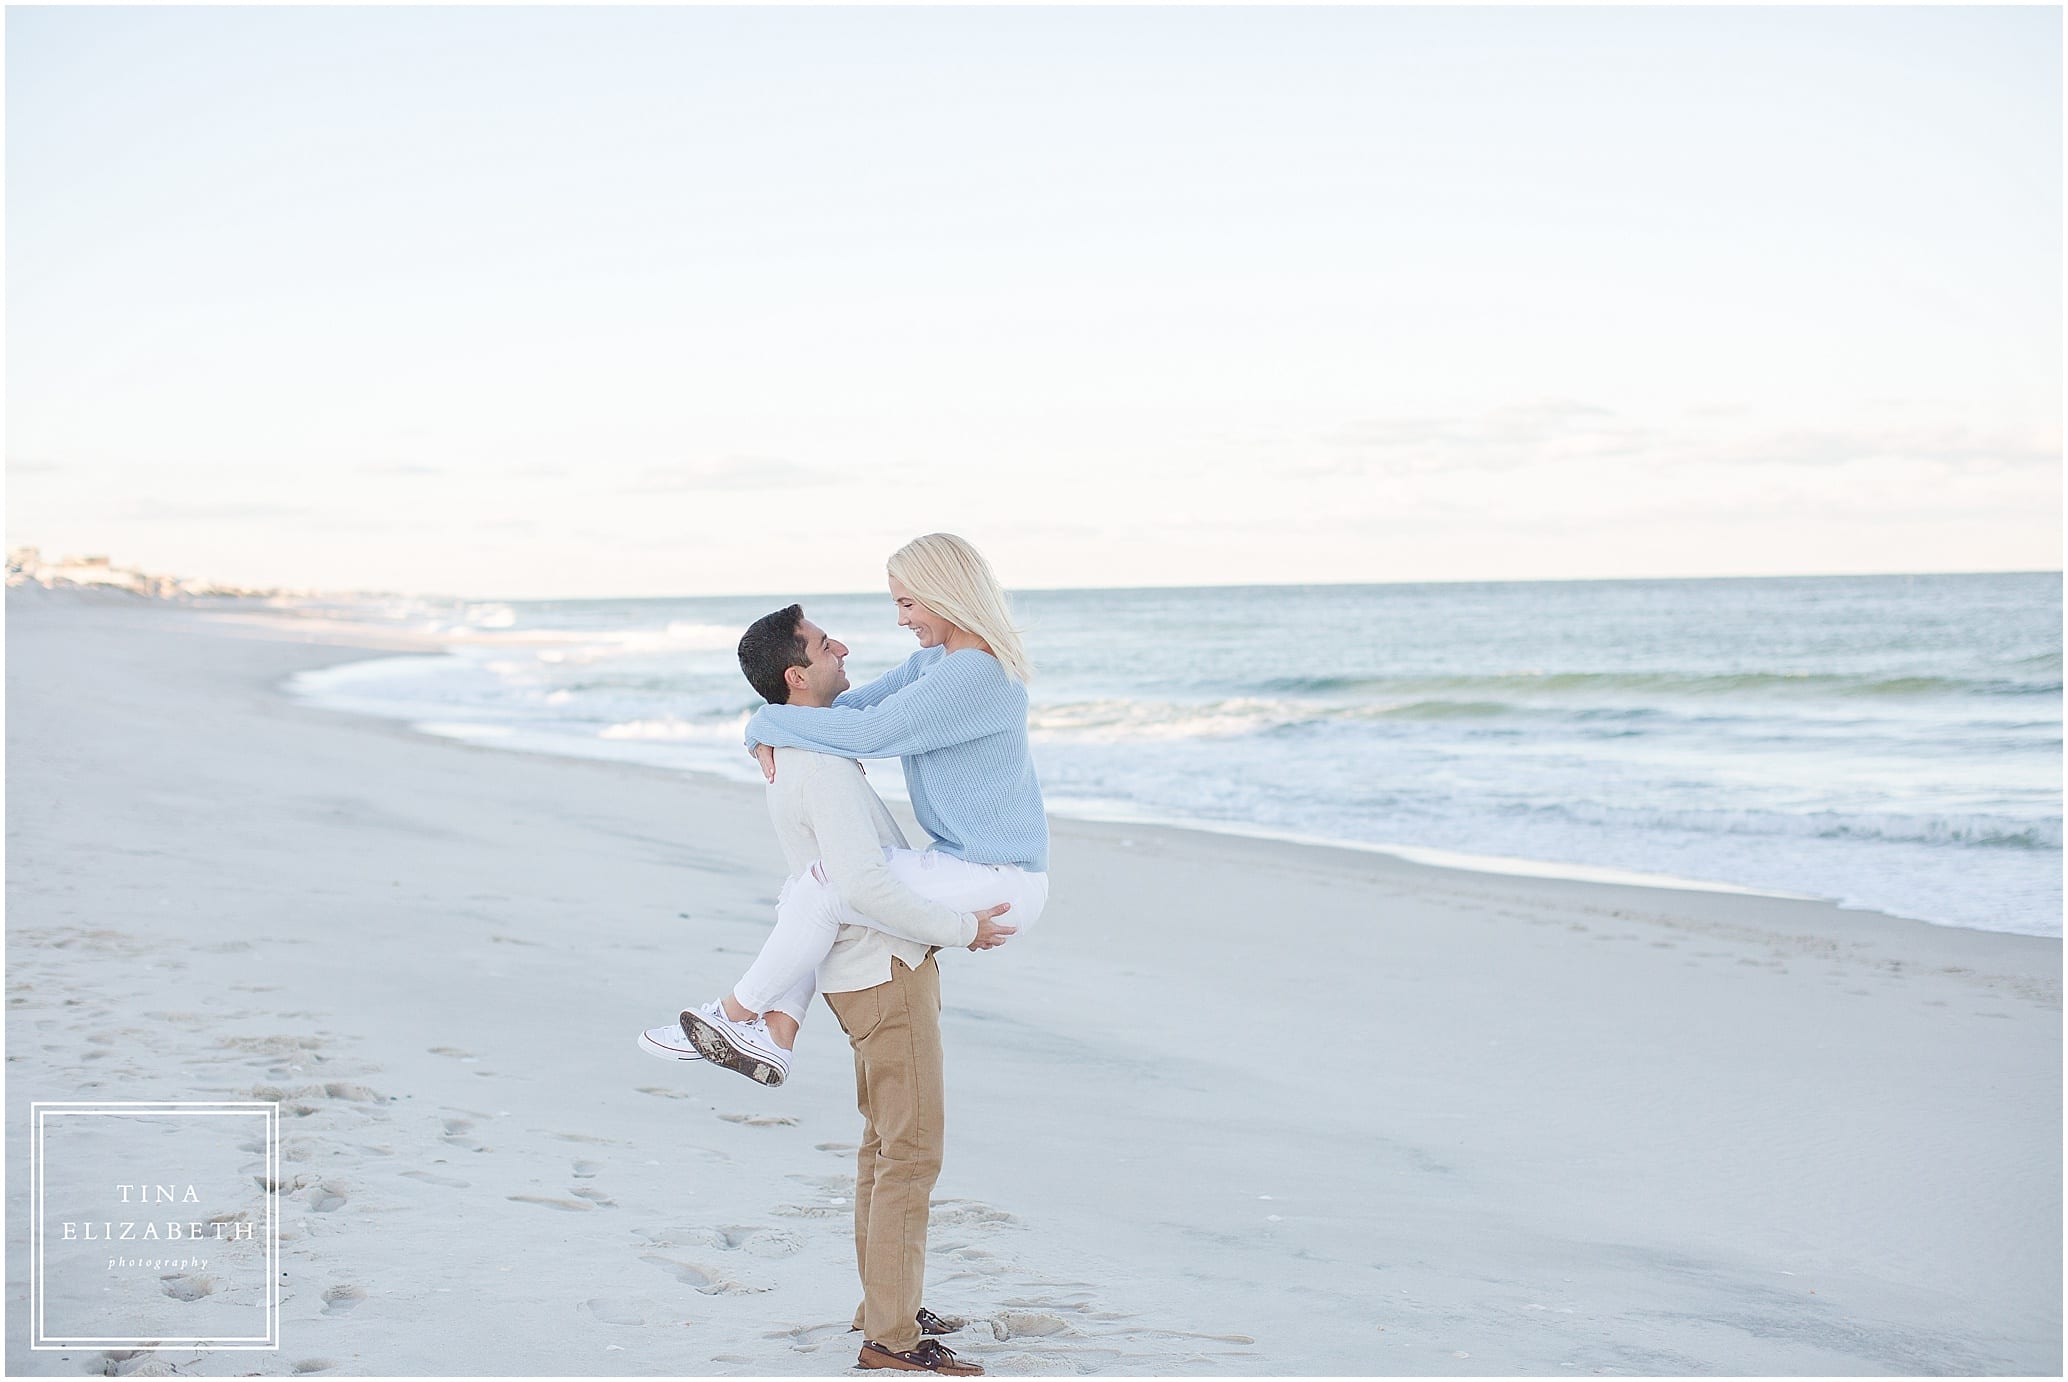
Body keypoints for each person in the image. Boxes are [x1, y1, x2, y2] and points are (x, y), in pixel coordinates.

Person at [642, 597, 1012, 1375]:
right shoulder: (819, 763)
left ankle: (887, 1306)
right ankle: (892, 1342)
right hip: (883, 970)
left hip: (860, 973)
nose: (843, 647)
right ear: (797, 675)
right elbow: (866, 886)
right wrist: (963, 929)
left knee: (884, 1150)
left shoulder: (797, 750)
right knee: (909, 1155)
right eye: (822, 642)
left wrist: (760, 724)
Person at [676, 533, 1050, 1088]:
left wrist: (763, 724)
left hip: (998, 879)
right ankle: (772, 1036)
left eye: (906, 603)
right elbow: (848, 708)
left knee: (826, 886)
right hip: (966, 866)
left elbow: (870, 732)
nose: (901, 619)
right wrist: (765, 723)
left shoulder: (976, 673)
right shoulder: (934, 663)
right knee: (808, 887)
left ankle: (733, 1015)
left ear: (943, 593)